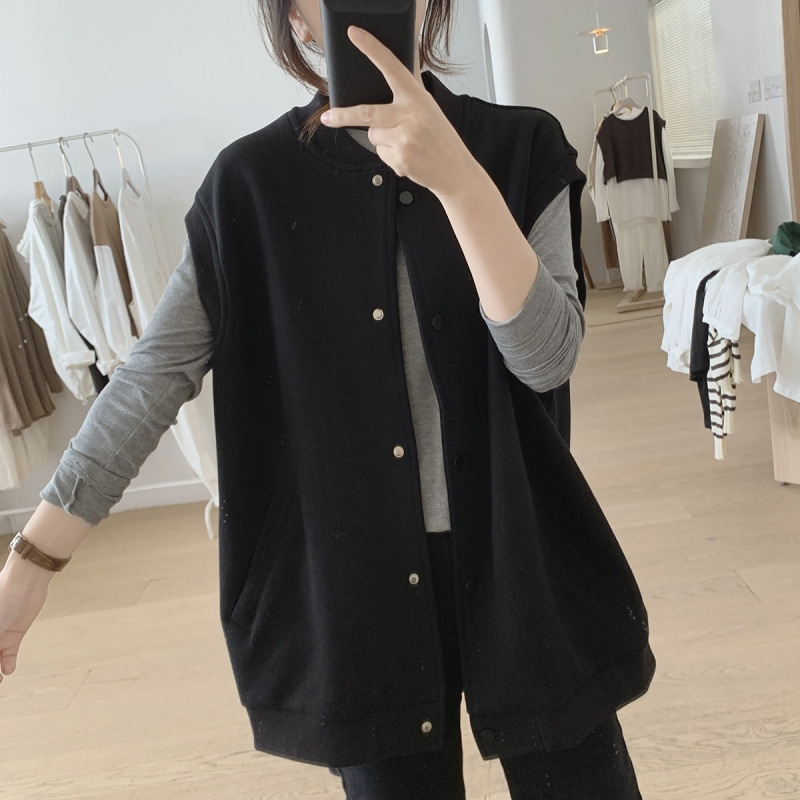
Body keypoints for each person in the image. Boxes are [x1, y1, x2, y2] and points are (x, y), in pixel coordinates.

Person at [0, 1, 655, 797]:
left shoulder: (522, 147)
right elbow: (149, 380)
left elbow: (546, 359)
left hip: (527, 556)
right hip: (354, 589)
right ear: (297, 22)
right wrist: (32, 562)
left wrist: (457, 180)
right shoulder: (248, 187)